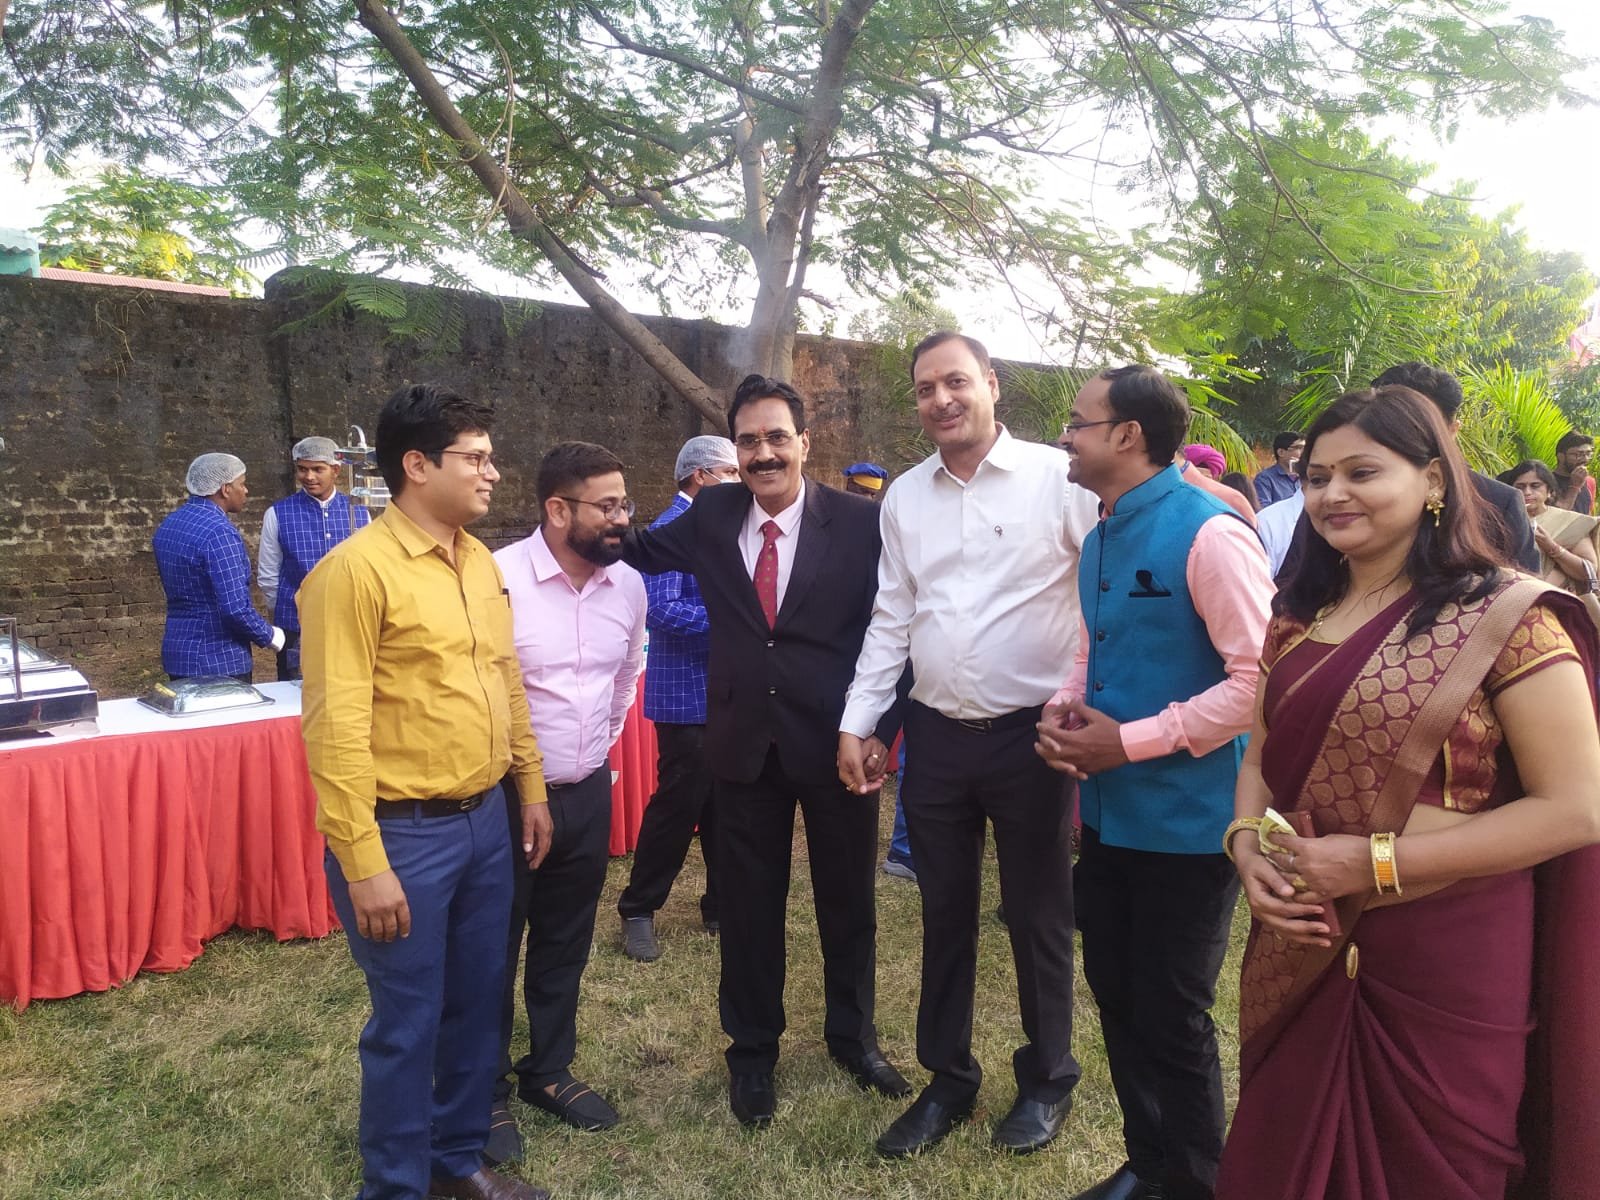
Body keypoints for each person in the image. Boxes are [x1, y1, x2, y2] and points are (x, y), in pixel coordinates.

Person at [1215, 385, 1600, 1200]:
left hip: (1448, 950)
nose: (1333, 494)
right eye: (1317, 477)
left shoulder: (1511, 618)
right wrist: (1245, 844)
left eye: (1362, 472)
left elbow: (1578, 807)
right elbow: (1261, 758)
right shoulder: (1299, 614)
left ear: (1432, 480)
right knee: (1286, 1153)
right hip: (1307, 929)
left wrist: (1373, 865)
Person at [619, 373, 910, 1129]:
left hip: (839, 744)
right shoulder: (714, 512)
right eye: (748, 441)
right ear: (734, 451)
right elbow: (639, 550)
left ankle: (853, 1039)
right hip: (743, 746)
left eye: (778, 437)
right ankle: (751, 1053)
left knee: (848, 903)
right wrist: (574, 521)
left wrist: (881, 728)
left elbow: (903, 626)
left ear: (805, 442)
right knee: (749, 909)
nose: (763, 453)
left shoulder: (862, 522)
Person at [839, 331, 1101, 1157]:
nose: (941, 400)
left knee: (1038, 911)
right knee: (943, 909)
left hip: (1034, 738)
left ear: (991, 384)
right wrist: (860, 720)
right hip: (937, 737)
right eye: (926, 389)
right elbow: (893, 614)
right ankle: (948, 1078)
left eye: (956, 382)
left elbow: (1102, 592)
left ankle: (1048, 1076)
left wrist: (1084, 697)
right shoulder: (905, 498)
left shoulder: (1059, 479)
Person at [299, 383, 553, 1200]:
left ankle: (456, 1161)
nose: (492, 473)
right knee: (408, 1024)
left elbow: (504, 681)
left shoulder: (478, 561)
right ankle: (396, 1185)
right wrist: (363, 860)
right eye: (475, 458)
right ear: (417, 465)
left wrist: (530, 786)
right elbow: (335, 730)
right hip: (402, 834)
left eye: (490, 457)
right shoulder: (354, 573)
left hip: (484, 822)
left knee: (477, 1005)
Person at [1040, 365, 1274, 1200]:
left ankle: (1197, 1182)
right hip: (1109, 815)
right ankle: (1149, 1162)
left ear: (1127, 434)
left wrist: (1130, 742)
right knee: (1116, 992)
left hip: (1189, 822)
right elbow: (1095, 647)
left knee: (1173, 1014)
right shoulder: (1101, 534)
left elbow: (1260, 680)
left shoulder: (1210, 534)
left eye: (1077, 422)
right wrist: (1067, 706)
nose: (1065, 437)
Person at [490, 442, 646, 1155]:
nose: (622, 519)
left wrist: (594, 756)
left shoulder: (629, 587)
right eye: (606, 506)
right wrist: (531, 779)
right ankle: (483, 1090)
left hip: (586, 792)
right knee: (493, 946)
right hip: (505, 800)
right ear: (557, 510)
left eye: (624, 503)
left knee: (565, 939)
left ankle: (548, 1070)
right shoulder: (497, 580)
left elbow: (625, 675)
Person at [617, 434, 741, 963]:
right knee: (678, 805)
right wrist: (734, 623)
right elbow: (662, 608)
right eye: (729, 472)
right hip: (685, 693)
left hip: (722, 692)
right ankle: (638, 908)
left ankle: (720, 905)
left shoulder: (719, 525)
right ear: (700, 476)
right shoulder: (672, 528)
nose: (737, 480)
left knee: (723, 805)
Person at [1371, 362, 1539, 572]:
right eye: (1388, 424)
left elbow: (1526, 588)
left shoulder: (1500, 503)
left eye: (1418, 425)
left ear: (1452, 430)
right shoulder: (1345, 496)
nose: (1401, 436)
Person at [152, 451, 285, 681]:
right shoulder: (219, 533)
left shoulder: (170, 524)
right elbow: (235, 608)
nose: (246, 490)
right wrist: (271, 636)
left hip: (179, 652)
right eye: (241, 484)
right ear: (225, 489)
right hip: (219, 659)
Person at [258, 435, 371, 680]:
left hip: (348, 623)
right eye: (302, 469)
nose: (309, 477)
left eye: (318, 469)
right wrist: (283, 613)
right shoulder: (278, 514)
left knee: (347, 686)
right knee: (295, 690)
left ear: (335, 470)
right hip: (296, 625)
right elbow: (268, 575)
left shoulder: (359, 512)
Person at [1508, 458, 1600, 597]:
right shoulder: (1500, 521)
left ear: (1549, 491)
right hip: (1510, 598)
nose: (1527, 492)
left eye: (1535, 486)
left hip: (1555, 601)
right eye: (1520, 487)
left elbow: (1589, 571)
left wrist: (1552, 547)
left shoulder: (1568, 522)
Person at [1252, 431, 1303, 506]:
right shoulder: (1265, 479)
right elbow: (1264, 509)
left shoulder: (1307, 478)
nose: (1304, 452)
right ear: (1281, 452)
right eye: (1299, 448)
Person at [1551, 430, 1595, 514]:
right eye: (1577, 454)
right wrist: (1575, 487)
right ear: (1561, 456)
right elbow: (1558, 514)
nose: (1585, 459)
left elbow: (1588, 514)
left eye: (1588, 454)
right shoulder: (1546, 481)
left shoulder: (1589, 481)